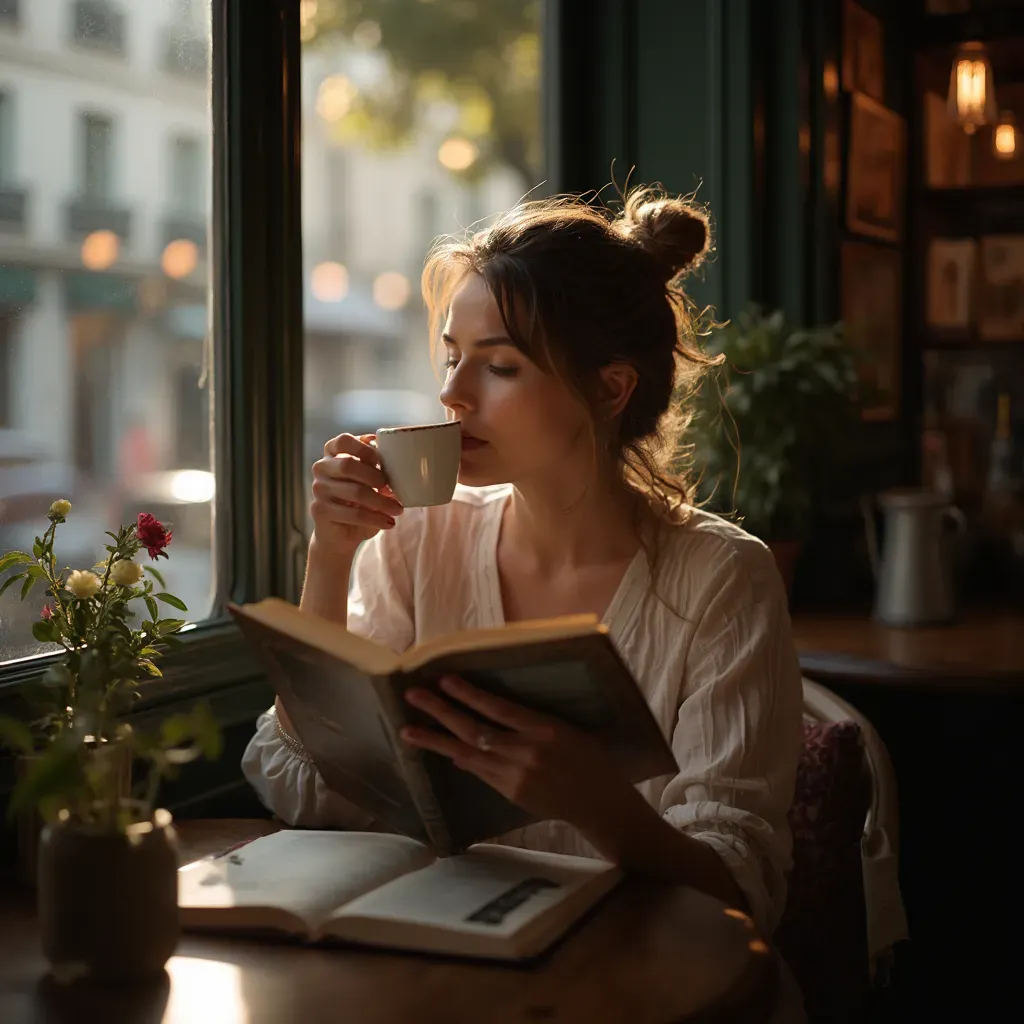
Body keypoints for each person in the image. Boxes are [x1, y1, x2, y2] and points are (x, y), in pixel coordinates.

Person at [242, 187, 805, 1019]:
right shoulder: (416, 541)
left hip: (654, 991)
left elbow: (743, 892)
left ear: (611, 390)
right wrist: (332, 555)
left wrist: (595, 801)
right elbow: (303, 782)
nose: (454, 395)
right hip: (450, 976)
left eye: (499, 366)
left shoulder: (720, 578)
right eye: (449, 356)